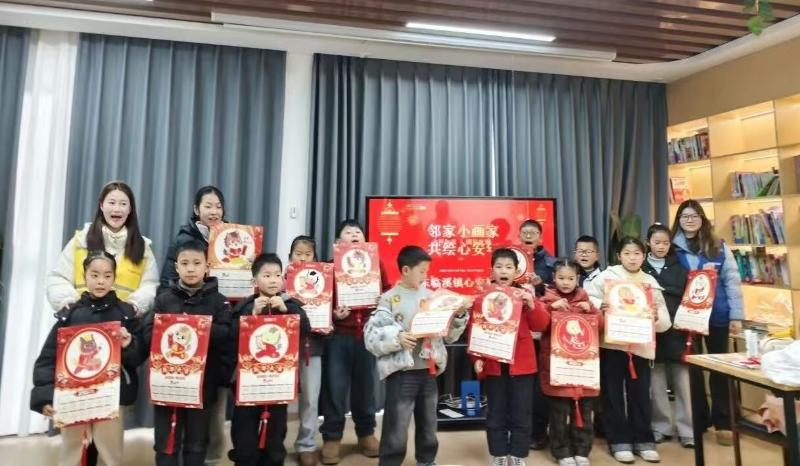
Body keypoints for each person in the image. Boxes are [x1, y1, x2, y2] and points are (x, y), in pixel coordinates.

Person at [32, 251, 145, 466]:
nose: (100, 281)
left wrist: (128, 344)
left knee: (110, 452)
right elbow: (48, 358)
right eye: (94, 275)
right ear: (84, 276)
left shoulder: (126, 315)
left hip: (112, 396)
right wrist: (44, 395)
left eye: (107, 275)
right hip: (73, 395)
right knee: (72, 450)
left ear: (114, 278)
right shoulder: (70, 315)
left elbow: (139, 356)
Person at [364, 245, 469, 466]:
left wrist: (459, 315)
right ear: (405, 270)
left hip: (428, 370)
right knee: (397, 424)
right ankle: (390, 462)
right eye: (421, 271)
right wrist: (397, 338)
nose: (425, 276)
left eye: (426, 271)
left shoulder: (433, 297)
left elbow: (449, 336)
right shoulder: (388, 299)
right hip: (402, 373)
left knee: (429, 422)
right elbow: (372, 336)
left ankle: (427, 460)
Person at [143, 240, 233, 466]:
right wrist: (170, 328)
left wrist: (197, 327)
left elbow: (226, 335)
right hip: (168, 382)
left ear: (207, 267)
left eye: (196, 263)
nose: (190, 269)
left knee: (197, 442)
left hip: (203, 384)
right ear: (176, 267)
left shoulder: (219, 301)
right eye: (184, 263)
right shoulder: (163, 299)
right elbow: (148, 333)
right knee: (166, 441)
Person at [158, 185, 229, 466]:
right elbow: (165, 284)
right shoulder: (182, 240)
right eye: (207, 206)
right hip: (180, 330)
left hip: (217, 323)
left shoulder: (235, 237)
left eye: (218, 206)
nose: (214, 211)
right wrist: (177, 314)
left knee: (211, 407)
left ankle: (209, 457)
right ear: (196, 209)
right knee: (174, 416)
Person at [585, 237, 671, 464]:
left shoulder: (650, 282)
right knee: (612, 394)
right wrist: (600, 306)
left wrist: (655, 317)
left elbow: (665, 322)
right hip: (612, 346)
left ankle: (644, 440)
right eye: (627, 253)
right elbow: (588, 299)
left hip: (640, 347)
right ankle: (619, 441)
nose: (632, 258)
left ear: (644, 256)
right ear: (619, 256)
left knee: (641, 394)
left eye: (637, 254)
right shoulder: (607, 277)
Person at [670, 199, 744, 446]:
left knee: (720, 370)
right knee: (692, 370)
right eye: (685, 216)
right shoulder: (671, 248)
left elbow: (732, 281)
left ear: (702, 219)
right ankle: (698, 420)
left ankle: (725, 422)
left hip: (717, 317)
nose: (690, 220)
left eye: (694, 216)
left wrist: (736, 316)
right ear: (678, 221)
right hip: (687, 319)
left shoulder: (719, 246)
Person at [228, 253, 311, 466]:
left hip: (278, 383)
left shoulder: (291, 304)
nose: (273, 280)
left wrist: (286, 311)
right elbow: (230, 336)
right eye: (266, 275)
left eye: (277, 275)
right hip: (249, 383)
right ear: (255, 280)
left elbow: (305, 329)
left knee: (275, 434)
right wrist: (252, 316)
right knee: (244, 432)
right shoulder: (244, 306)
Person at [472, 248, 550, 466]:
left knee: (522, 412)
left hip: (522, 364)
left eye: (508, 267)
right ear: (492, 271)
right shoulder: (484, 296)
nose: (503, 271)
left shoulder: (524, 295)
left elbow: (541, 325)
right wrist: (476, 357)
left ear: (516, 271)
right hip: (494, 363)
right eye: (499, 267)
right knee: (495, 411)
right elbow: (474, 328)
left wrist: (532, 305)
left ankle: (518, 454)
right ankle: (498, 453)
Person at [320, 219, 387, 465]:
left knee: (365, 387)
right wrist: (333, 314)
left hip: (367, 335)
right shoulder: (329, 267)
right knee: (335, 387)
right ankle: (332, 436)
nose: (355, 234)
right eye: (348, 232)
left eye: (358, 232)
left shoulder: (376, 265)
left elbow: (388, 291)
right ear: (338, 242)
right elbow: (319, 301)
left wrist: (382, 300)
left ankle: (366, 433)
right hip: (338, 336)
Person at [47, 180, 159, 315]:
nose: (117, 209)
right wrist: (69, 303)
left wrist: (134, 306)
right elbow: (59, 278)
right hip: (83, 319)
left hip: (125, 322)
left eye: (123, 204)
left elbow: (150, 285)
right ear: (101, 205)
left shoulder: (142, 247)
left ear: (130, 209)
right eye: (112, 203)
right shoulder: (80, 241)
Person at [538, 260, 599, 466]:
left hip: (583, 368)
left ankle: (582, 450)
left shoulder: (586, 300)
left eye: (570, 278)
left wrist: (591, 311)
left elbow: (600, 325)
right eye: (561, 278)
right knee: (559, 412)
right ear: (553, 278)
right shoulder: (546, 299)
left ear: (578, 279)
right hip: (557, 368)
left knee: (584, 411)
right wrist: (550, 309)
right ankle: (561, 451)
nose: (566, 282)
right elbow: (539, 325)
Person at [641, 223, 694, 448]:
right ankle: (661, 427)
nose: (661, 246)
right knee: (656, 383)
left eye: (665, 243)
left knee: (683, 384)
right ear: (648, 243)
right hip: (651, 334)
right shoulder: (640, 268)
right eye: (656, 242)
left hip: (678, 333)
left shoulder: (680, 269)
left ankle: (687, 430)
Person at [288, 235, 330, 466]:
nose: (303, 259)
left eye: (308, 254)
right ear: (290, 257)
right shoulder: (279, 280)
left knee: (311, 399)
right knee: (276, 398)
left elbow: (328, 317)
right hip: (283, 349)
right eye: (298, 254)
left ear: (315, 258)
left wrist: (331, 319)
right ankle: (272, 443)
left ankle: (306, 444)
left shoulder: (323, 282)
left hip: (311, 348)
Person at [518, 219, 554, 450]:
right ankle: (521, 432)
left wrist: (541, 286)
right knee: (521, 386)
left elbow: (560, 291)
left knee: (541, 386)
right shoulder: (512, 260)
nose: (529, 235)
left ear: (540, 237)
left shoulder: (551, 263)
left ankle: (539, 433)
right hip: (518, 332)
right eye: (525, 232)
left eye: (533, 232)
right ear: (519, 236)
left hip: (543, 332)